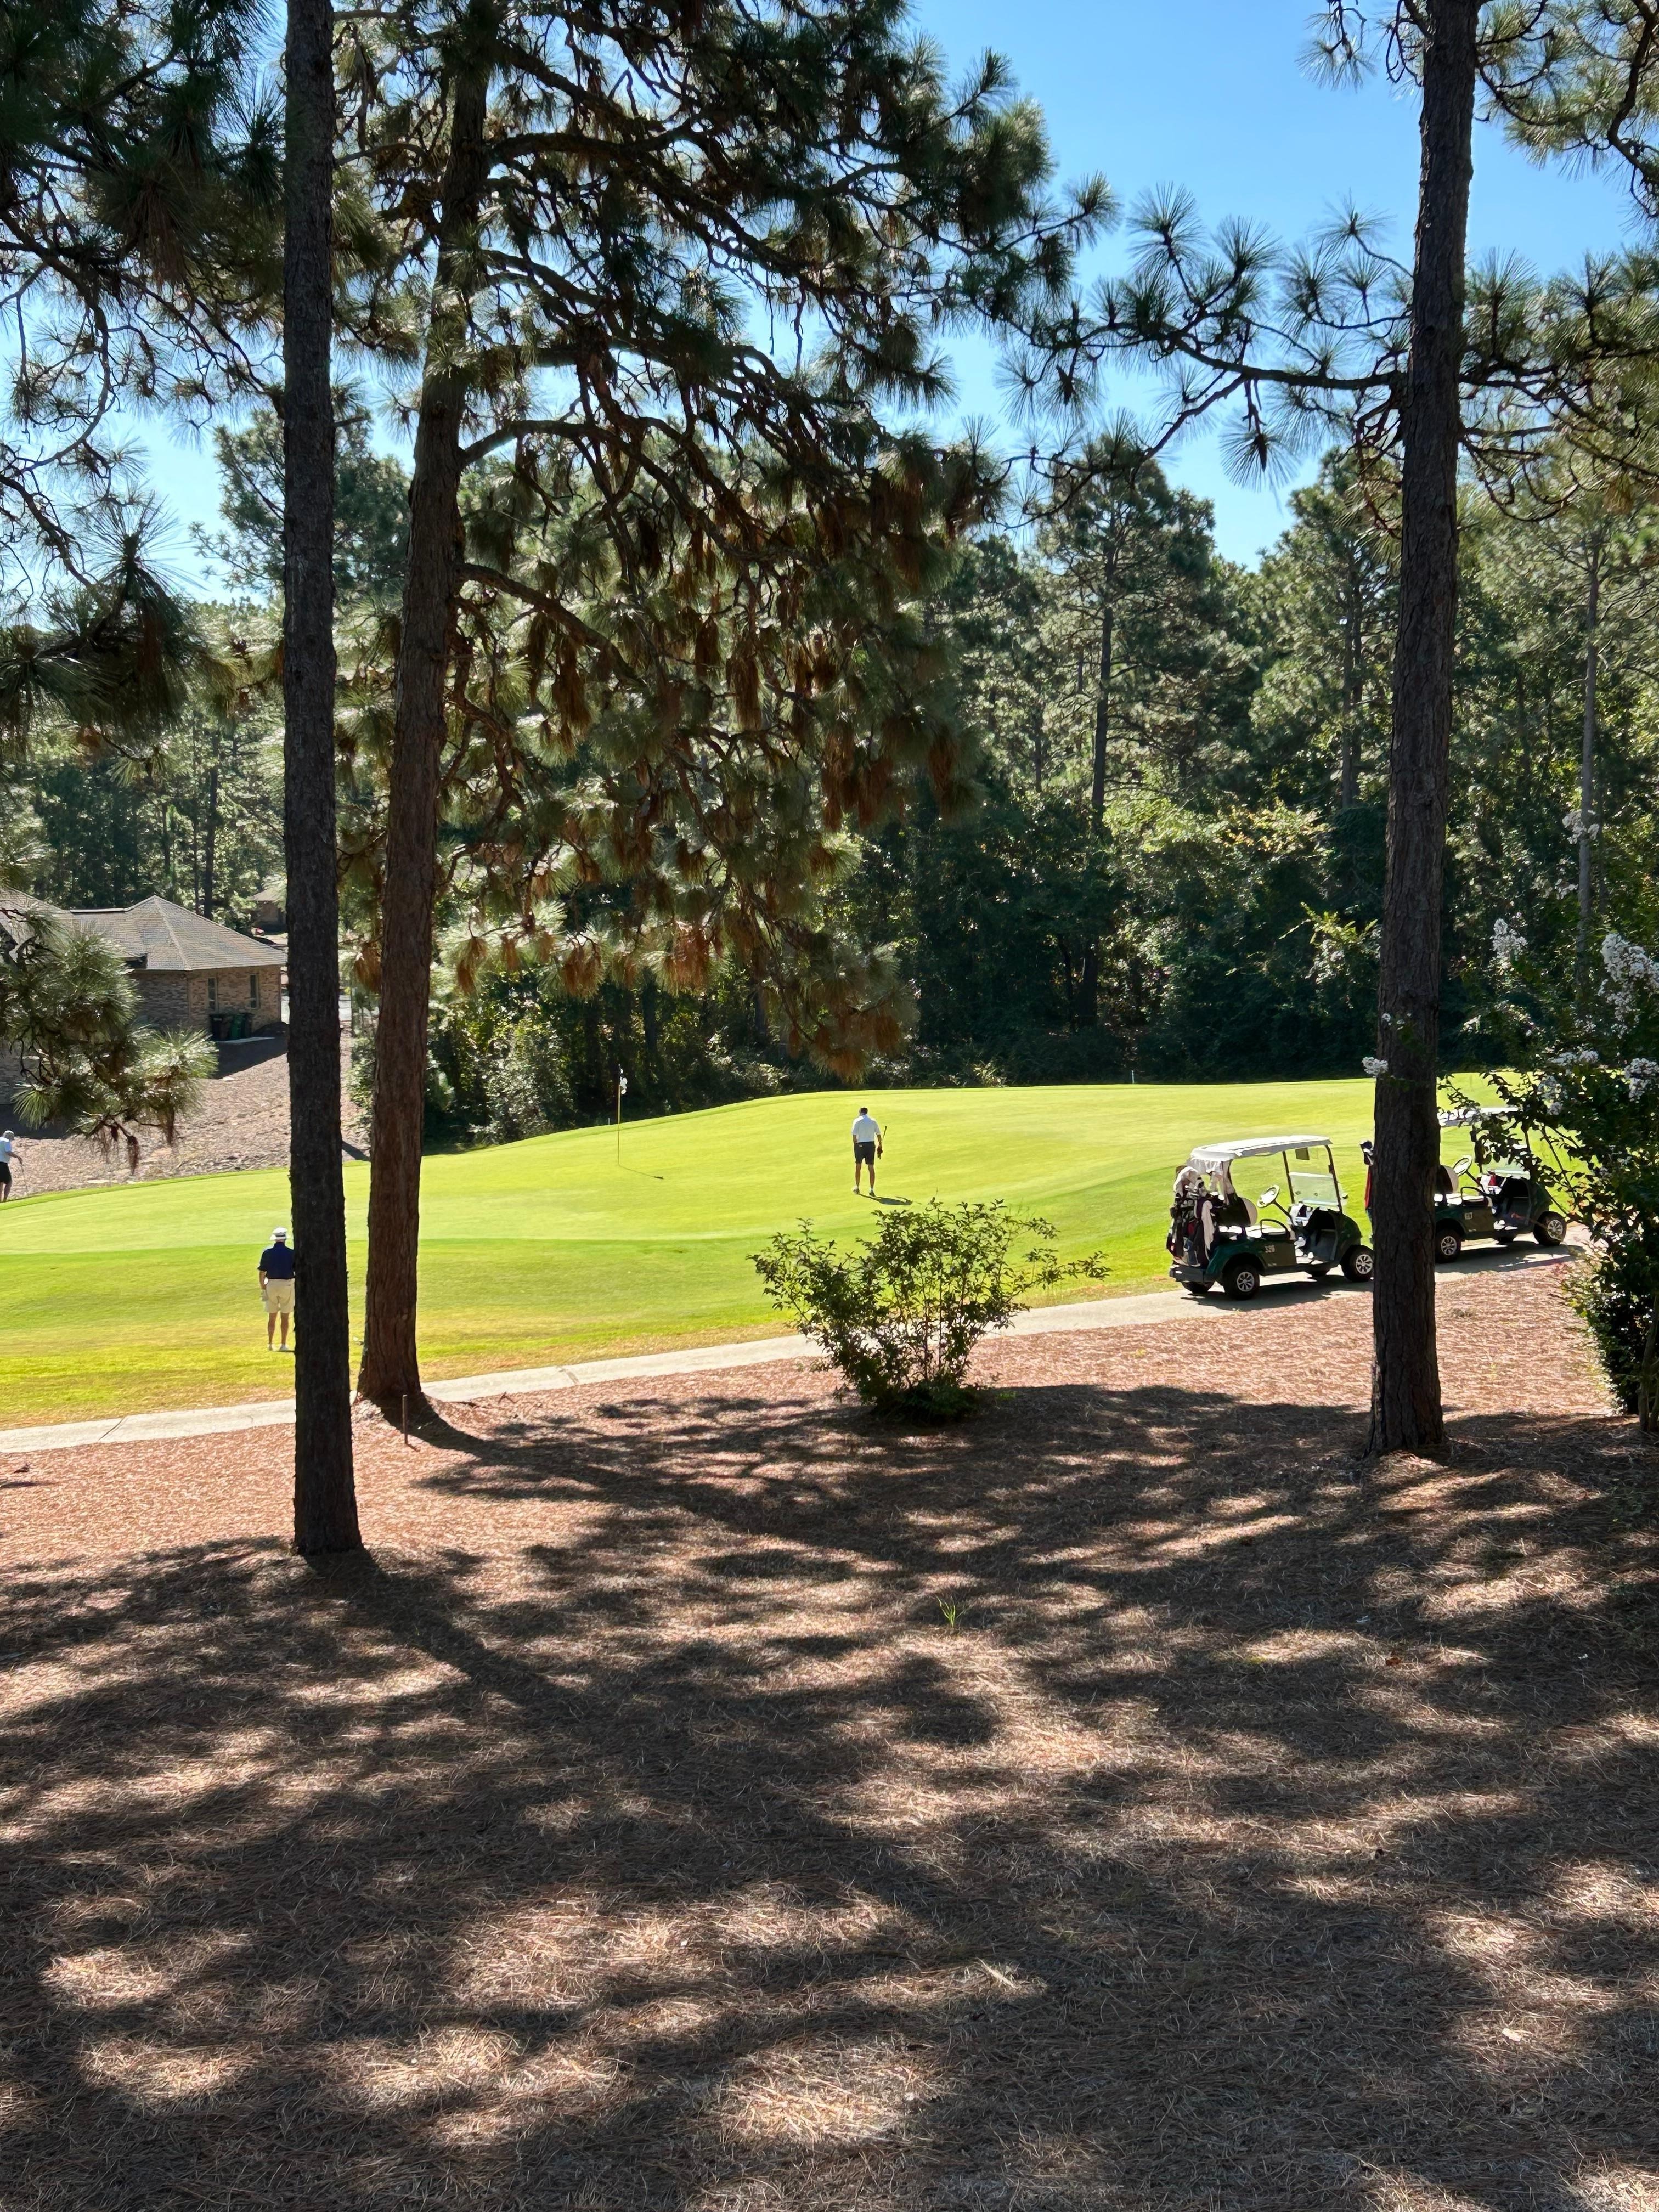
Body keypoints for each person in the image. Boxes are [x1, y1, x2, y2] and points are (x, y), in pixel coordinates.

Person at [258, 1226, 297, 1350]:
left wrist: (263, 1287)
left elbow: (262, 1273)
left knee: (272, 1316)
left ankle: (270, 1344)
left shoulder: (267, 1253)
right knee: (285, 1316)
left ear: (275, 1239)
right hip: (287, 1285)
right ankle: (283, 1344)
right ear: (285, 1239)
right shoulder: (291, 1253)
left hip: (271, 1285)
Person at [851, 1103, 883, 1195]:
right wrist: (880, 1145)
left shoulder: (857, 1121)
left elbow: (854, 1137)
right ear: (867, 1113)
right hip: (871, 1145)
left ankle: (857, 1187)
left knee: (858, 1166)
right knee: (871, 1167)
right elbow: (878, 1135)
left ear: (860, 1113)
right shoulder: (873, 1121)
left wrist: (857, 1146)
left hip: (860, 1145)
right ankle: (872, 1190)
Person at [0, 1130, 15, 1201]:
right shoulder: (7, 1141)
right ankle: (4, 1200)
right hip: (2, 1164)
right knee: (9, 1182)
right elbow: (8, 1152)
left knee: (0, 1183)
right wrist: (18, 1157)